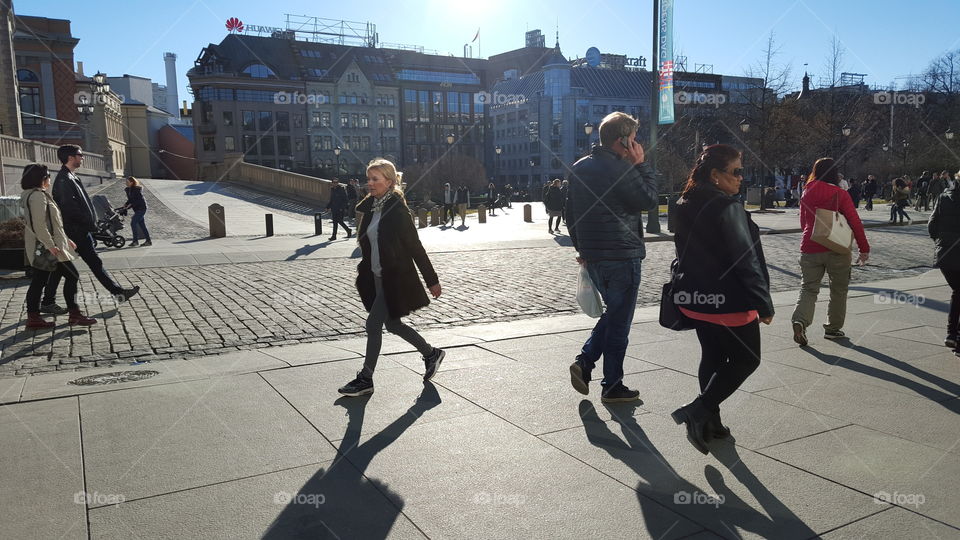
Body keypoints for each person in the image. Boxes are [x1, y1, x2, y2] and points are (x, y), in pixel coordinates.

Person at [671, 144, 774, 454]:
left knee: (713, 357)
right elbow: (746, 262)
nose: (742, 177)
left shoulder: (683, 203)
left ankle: (711, 424)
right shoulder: (728, 208)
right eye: (737, 171)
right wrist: (763, 304)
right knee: (747, 359)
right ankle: (698, 411)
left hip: (697, 298)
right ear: (715, 175)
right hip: (730, 301)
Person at [566, 112, 658, 403]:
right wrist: (641, 165)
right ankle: (611, 385)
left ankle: (585, 362)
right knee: (619, 323)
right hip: (622, 255)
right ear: (623, 140)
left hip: (594, 256)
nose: (637, 145)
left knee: (614, 313)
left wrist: (582, 249)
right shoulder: (622, 168)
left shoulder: (579, 167)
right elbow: (648, 200)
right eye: (634, 139)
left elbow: (571, 215)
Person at [338, 158, 445, 397]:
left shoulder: (397, 210)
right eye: (368, 178)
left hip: (394, 277)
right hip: (377, 276)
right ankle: (431, 354)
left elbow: (415, 246)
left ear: (389, 181)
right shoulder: (372, 207)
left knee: (373, 324)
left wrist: (432, 280)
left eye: (375, 179)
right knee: (393, 324)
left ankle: (365, 379)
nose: (369, 183)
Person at [790, 157, 870, 346]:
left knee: (808, 288)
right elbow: (855, 222)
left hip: (810, 245)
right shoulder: (840, 193)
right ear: (834, 173)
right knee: (838, 290)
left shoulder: (806, 191)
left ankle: (800, 321)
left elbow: (803, 222)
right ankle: (833, 329)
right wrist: (864, 248)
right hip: (837, 246)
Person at [51, 145, 139, 303]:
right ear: (70, 157)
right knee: (89, 264)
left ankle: (47, 300)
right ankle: (118, 293)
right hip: (76, 231)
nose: (82, 157)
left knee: (64, 266)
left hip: (80, 230)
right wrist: (86, 222)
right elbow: (68, 208)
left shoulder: (71, 176)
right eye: (80, 154)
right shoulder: (64, 179)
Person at [20, 164, 96, 329]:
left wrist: (66, 239)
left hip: (47, 245)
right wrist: (50, 245)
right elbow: (39, 225)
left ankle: (35, 318)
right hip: (47, 247)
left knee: (39, 281)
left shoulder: (34, 195)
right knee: (71, 276)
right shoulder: (37, 196)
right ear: (41, 178)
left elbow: (52, 223)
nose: (49, 179)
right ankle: (73, 315)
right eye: (48, 175)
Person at [928, 179, 960, 351]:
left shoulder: (943, 197)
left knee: (958, 292)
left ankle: (952, 335)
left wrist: (942, 243)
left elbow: (932, 225)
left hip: (945, 254)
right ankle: (955, 335)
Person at [122, 176, 151, 247]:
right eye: (126, 181)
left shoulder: (137, 190)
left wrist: (129, 206)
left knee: (133, 223)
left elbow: (137, 200)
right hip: (137, 209)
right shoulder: (128, 190)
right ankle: (148, 241)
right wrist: (126, 204)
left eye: (127, 182)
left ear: (132, 182)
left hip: (141, 208)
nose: (126, 183)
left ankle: (135, 241)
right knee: (142, 225)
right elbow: (130, 199)